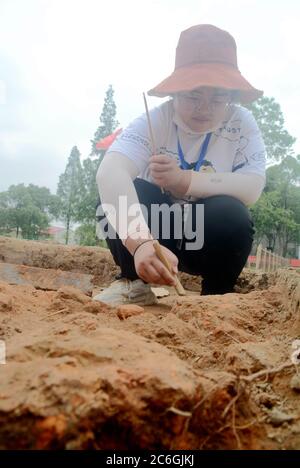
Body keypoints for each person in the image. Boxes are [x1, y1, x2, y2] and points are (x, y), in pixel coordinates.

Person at [94, 24, 266, 306]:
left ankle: (217, 296)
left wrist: (183, 180)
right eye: (194, 96)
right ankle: (133, 282)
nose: (205, 108)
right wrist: (141, 243)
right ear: (175, 93)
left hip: (207, 237)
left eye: (218, 97)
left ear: (231, 96)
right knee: (124, 195)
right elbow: (110, 171)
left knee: (232, 212)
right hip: (157, 239)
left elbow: (252, 186)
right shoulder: (156, 120)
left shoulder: (242, 124)